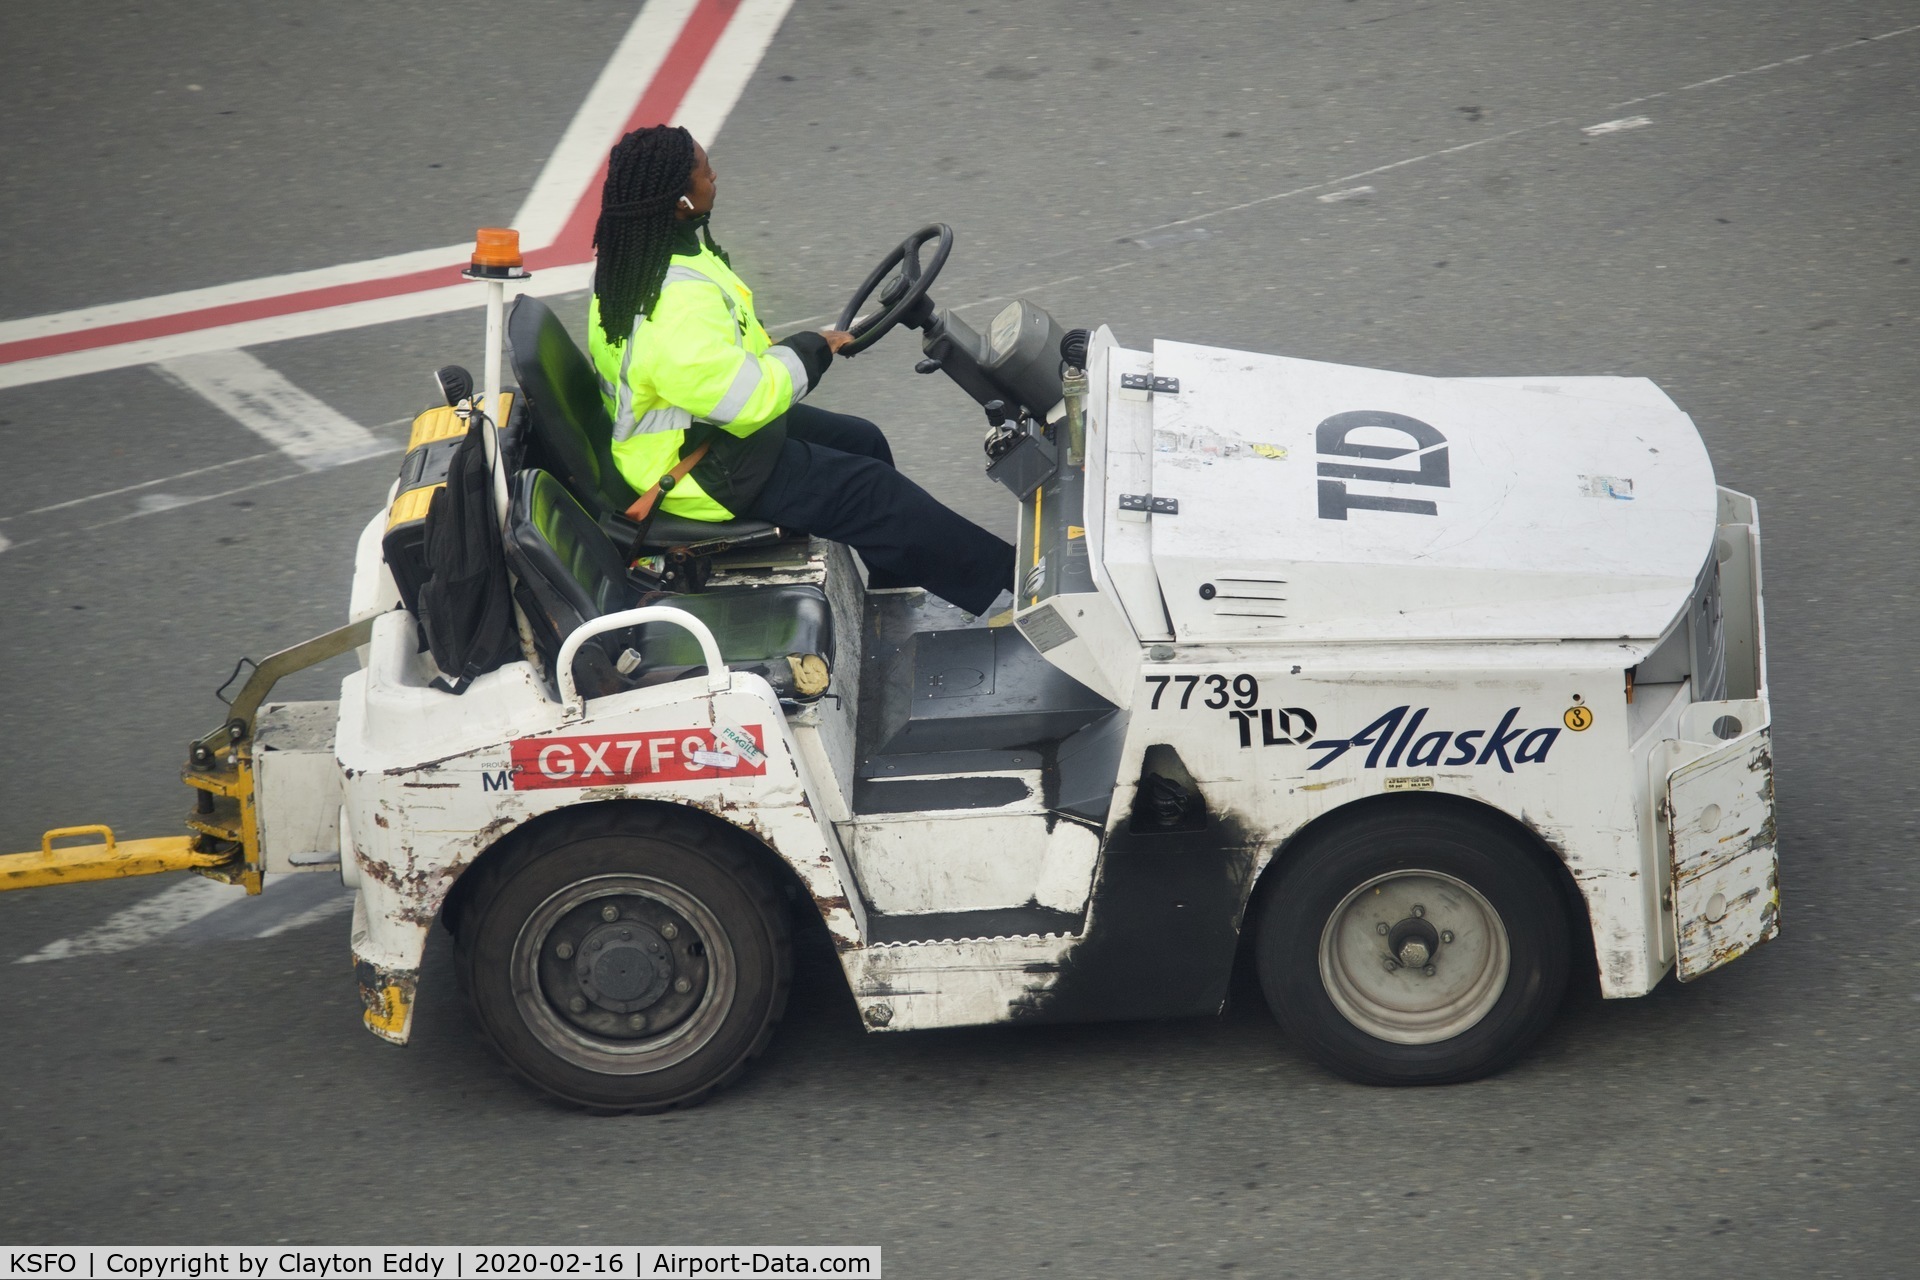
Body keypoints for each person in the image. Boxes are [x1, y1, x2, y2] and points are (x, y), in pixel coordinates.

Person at [587, 125, 1015, 615]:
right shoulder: (673, 302)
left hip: (699, 429)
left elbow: (723, 353)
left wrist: (803, 347)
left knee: (864, 441)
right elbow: (747, 401)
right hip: (693, 472)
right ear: (680, 199)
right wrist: (811, 350)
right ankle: (1014, 584)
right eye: (705, 171)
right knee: (873, 492)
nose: (715, 176)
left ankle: (892, 595)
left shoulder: (653, 254)